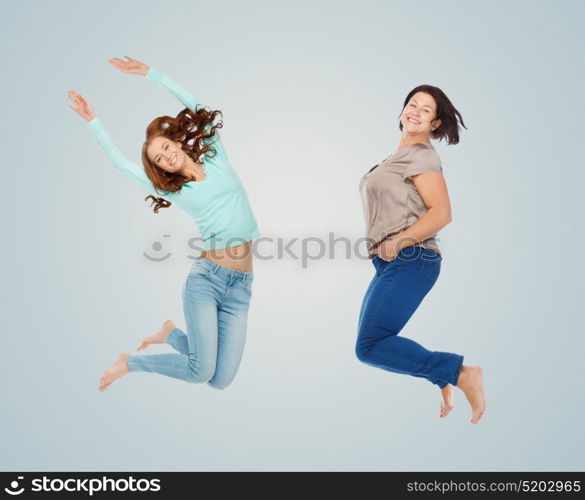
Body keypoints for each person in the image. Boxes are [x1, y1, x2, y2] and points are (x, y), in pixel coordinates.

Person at [67, 56, 260, 392]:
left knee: (220, 380)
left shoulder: (215, 154)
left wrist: (149, 74)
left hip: (242, 286)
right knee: (200, 371)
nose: (166, 156)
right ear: (161, 169)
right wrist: (93, 121)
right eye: (159, 159)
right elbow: (121, 164)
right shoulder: (177, 191)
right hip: (208, 281)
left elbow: (196, 105)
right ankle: (130, 362)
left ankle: (169, 333)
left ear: (177, 142)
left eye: (166, 147)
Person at [355, 86, 486, 423]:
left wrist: (397, 243)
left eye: (425, 110)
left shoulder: (422, 155)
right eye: (412, 104)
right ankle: (442, 374)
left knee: (369, 345)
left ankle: (460, 373)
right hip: (391, 264)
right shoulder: (396, 157)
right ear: (402, 110)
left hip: (412, 259)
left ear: (435, 123)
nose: (415, 111)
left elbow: (441, 213)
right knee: (371, 343)